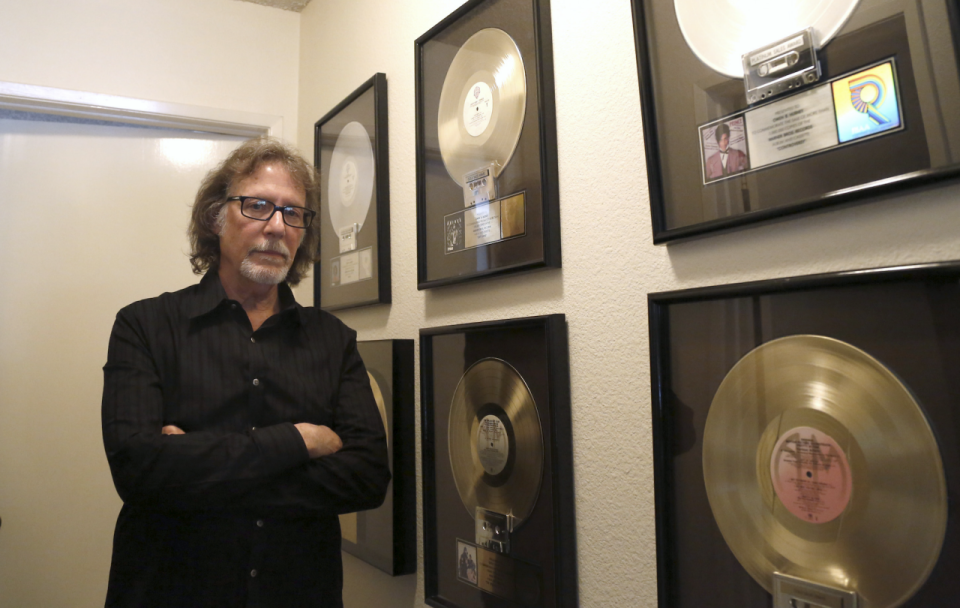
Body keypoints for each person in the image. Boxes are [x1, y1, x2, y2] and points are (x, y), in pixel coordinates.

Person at [101, 137, 390, 608]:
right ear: (217, 217)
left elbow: (367, 477)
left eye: (293, 213)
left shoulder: (333, 340)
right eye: (257, 205)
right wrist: (300, 441)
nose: (277, 226)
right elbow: (138, 471)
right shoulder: (145, 326)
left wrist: (193, 471)